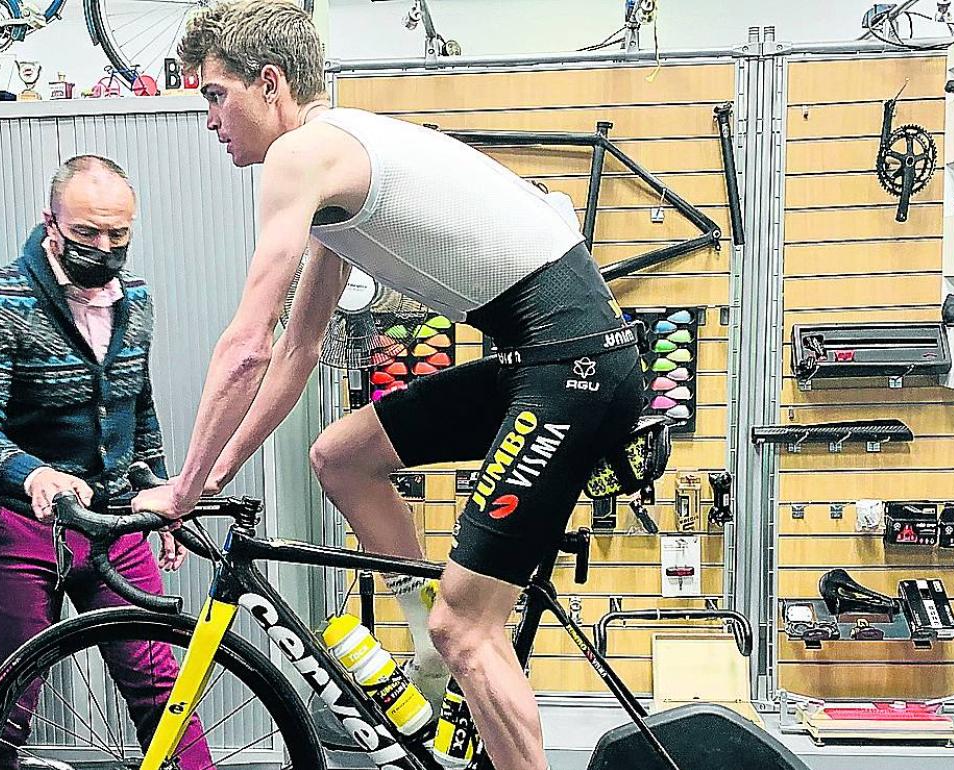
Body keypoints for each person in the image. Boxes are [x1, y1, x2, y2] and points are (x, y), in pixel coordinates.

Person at [130, 4, 645, 770]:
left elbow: (245, 345)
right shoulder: (334, 168)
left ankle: (445, 649)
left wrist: (180, 488)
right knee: (341, 455)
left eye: (214, 94)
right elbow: (296, 352)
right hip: (548, 356)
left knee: (468, 628)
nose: (208, 118)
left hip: (571, 364)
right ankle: (428, 665)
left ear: (269, 84)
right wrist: (215, 474)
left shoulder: (300, 156)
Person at [0, 155, 211, 769]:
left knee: (162, 688)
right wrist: (33, 472)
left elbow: (136, 411)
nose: (104, 248)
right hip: (20, 525)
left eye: (118, 235)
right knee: (9, 700)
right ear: (51, 222)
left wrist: (159, 493)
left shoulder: (135, 299)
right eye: (87, 234)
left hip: (113, 521)